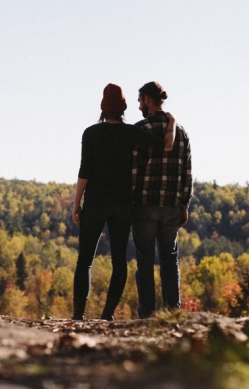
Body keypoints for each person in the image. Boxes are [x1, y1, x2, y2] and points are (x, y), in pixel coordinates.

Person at [71, 83, 176, 321]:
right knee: (119, 261)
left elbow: (84, 171)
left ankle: (78, 315)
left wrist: (77, 203)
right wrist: (172, 121)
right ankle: (107, 315)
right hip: (123, 204)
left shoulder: (91, 133)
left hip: (96, 202)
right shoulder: (132, 132)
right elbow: (166, 145)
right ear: (124, 107)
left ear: (102, 108)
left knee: (85, 260)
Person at [132, 81, 192, 318]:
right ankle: (171, 312)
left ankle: (147, 313)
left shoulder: (140, 129)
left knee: (145, 260)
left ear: (147, 99)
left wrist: (132, 200)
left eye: (139, 100)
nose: (138, 105)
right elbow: (187, 172)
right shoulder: (181, 132)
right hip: (171, 206)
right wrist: (184, 204)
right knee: (169, 259)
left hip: (145, 205)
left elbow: (134, 170)